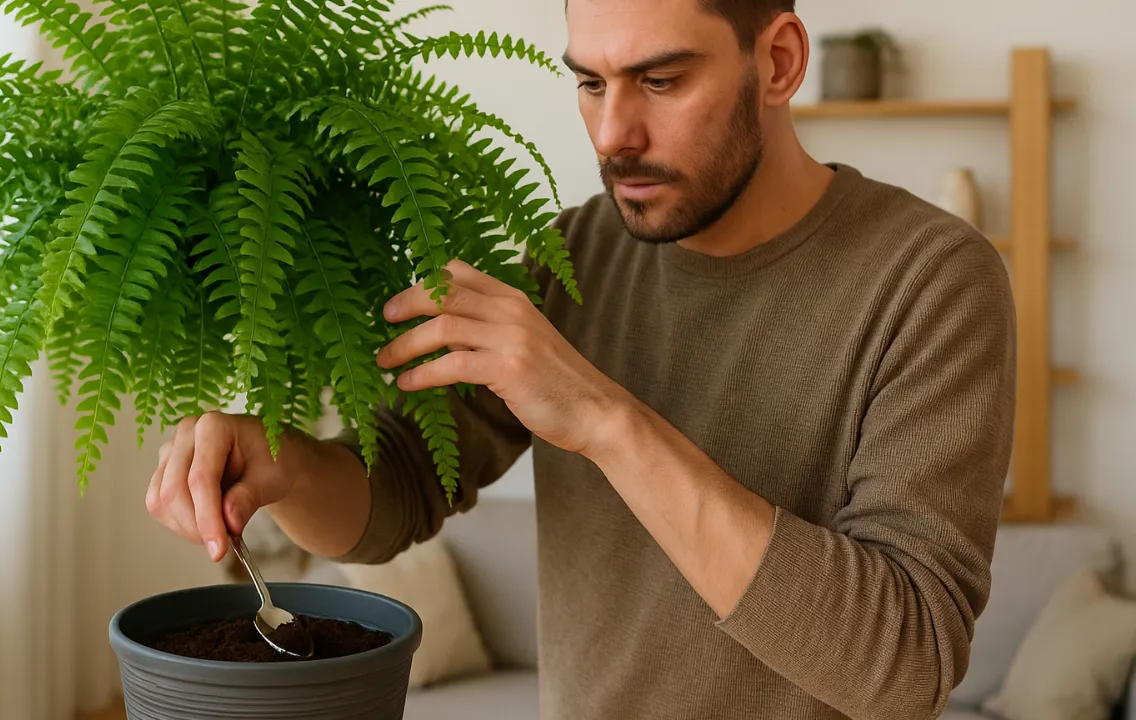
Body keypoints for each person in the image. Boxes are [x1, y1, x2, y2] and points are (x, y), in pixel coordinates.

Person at [146, 0, 1017, 717]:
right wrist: (282, 462)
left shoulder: (933, 281)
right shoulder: (572, 254)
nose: (612, 134)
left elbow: (906, 664)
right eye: (590, 82)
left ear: (780, 62)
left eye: (661, 80)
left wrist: (602, 419)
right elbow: (400, 492)